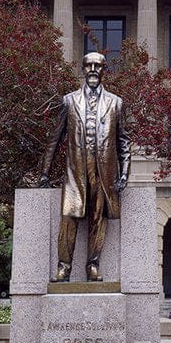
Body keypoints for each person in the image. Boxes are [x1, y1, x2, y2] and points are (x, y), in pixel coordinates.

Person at [38, 51, 131, 282]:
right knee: (69, 219)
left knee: (98, 219)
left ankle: (93, 265)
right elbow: (54, 139)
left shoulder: (116, 103)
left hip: (104, 174)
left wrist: (125, 173)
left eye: (97, 66)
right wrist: (44, 173)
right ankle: (63, 267)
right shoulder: (69, 101)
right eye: (88, 65)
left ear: (104, 70)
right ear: (82, 69)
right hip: (75, 172)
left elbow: (123, 141)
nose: (92, 70)